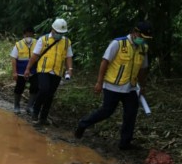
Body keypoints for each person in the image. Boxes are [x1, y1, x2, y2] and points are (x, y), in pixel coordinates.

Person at [74, 21, 152, 150]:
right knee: (106, 112)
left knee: (131, 113)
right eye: (141, 37)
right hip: (113, 86)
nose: (143, 40)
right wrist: (99, 82)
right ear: (135, 32)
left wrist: (142, 86)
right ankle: (83, 124)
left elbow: (142, 69)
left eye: (145, 39)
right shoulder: (119, 43)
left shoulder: (143, 48)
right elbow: (105, 61)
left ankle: (125, 143)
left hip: (131, 87)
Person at [24, 18, 73, 125]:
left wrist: (69, 69)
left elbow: (68, 57)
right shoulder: (43, 39)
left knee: (50, 95)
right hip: (43, 69)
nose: (59, 34)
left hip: (57, 71)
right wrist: (28, 68)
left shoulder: (66, 42)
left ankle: (43, 118)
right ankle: (35, 111)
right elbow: (35, 56)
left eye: (62, 33)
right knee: (44, 89)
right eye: (58, 32)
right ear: (52, 29)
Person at [10, 27, 38, 114]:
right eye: (27, 34)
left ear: (33, 35)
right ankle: (16, 106)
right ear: (24, 35)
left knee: (34, 88)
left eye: (30, 34)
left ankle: (30, 106)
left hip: (34, 71)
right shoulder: (18, 44)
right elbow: (13, 58)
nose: (28, 36)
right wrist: (14, 72)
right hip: (21, 71)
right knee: (19, 88)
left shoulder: (37, 43)